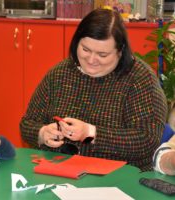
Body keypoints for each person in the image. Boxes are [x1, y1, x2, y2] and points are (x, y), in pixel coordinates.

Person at [20, 8, 167, 171]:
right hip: (59, 171)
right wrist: (42, 133)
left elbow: (148, 140)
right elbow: (27, 124)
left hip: (120, 177)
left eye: (102, 55)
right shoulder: (60, 73)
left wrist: (92, 133)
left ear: (120, 51)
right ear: (77, 42)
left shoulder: (139, 79)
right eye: (85, 49)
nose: (91, 60)